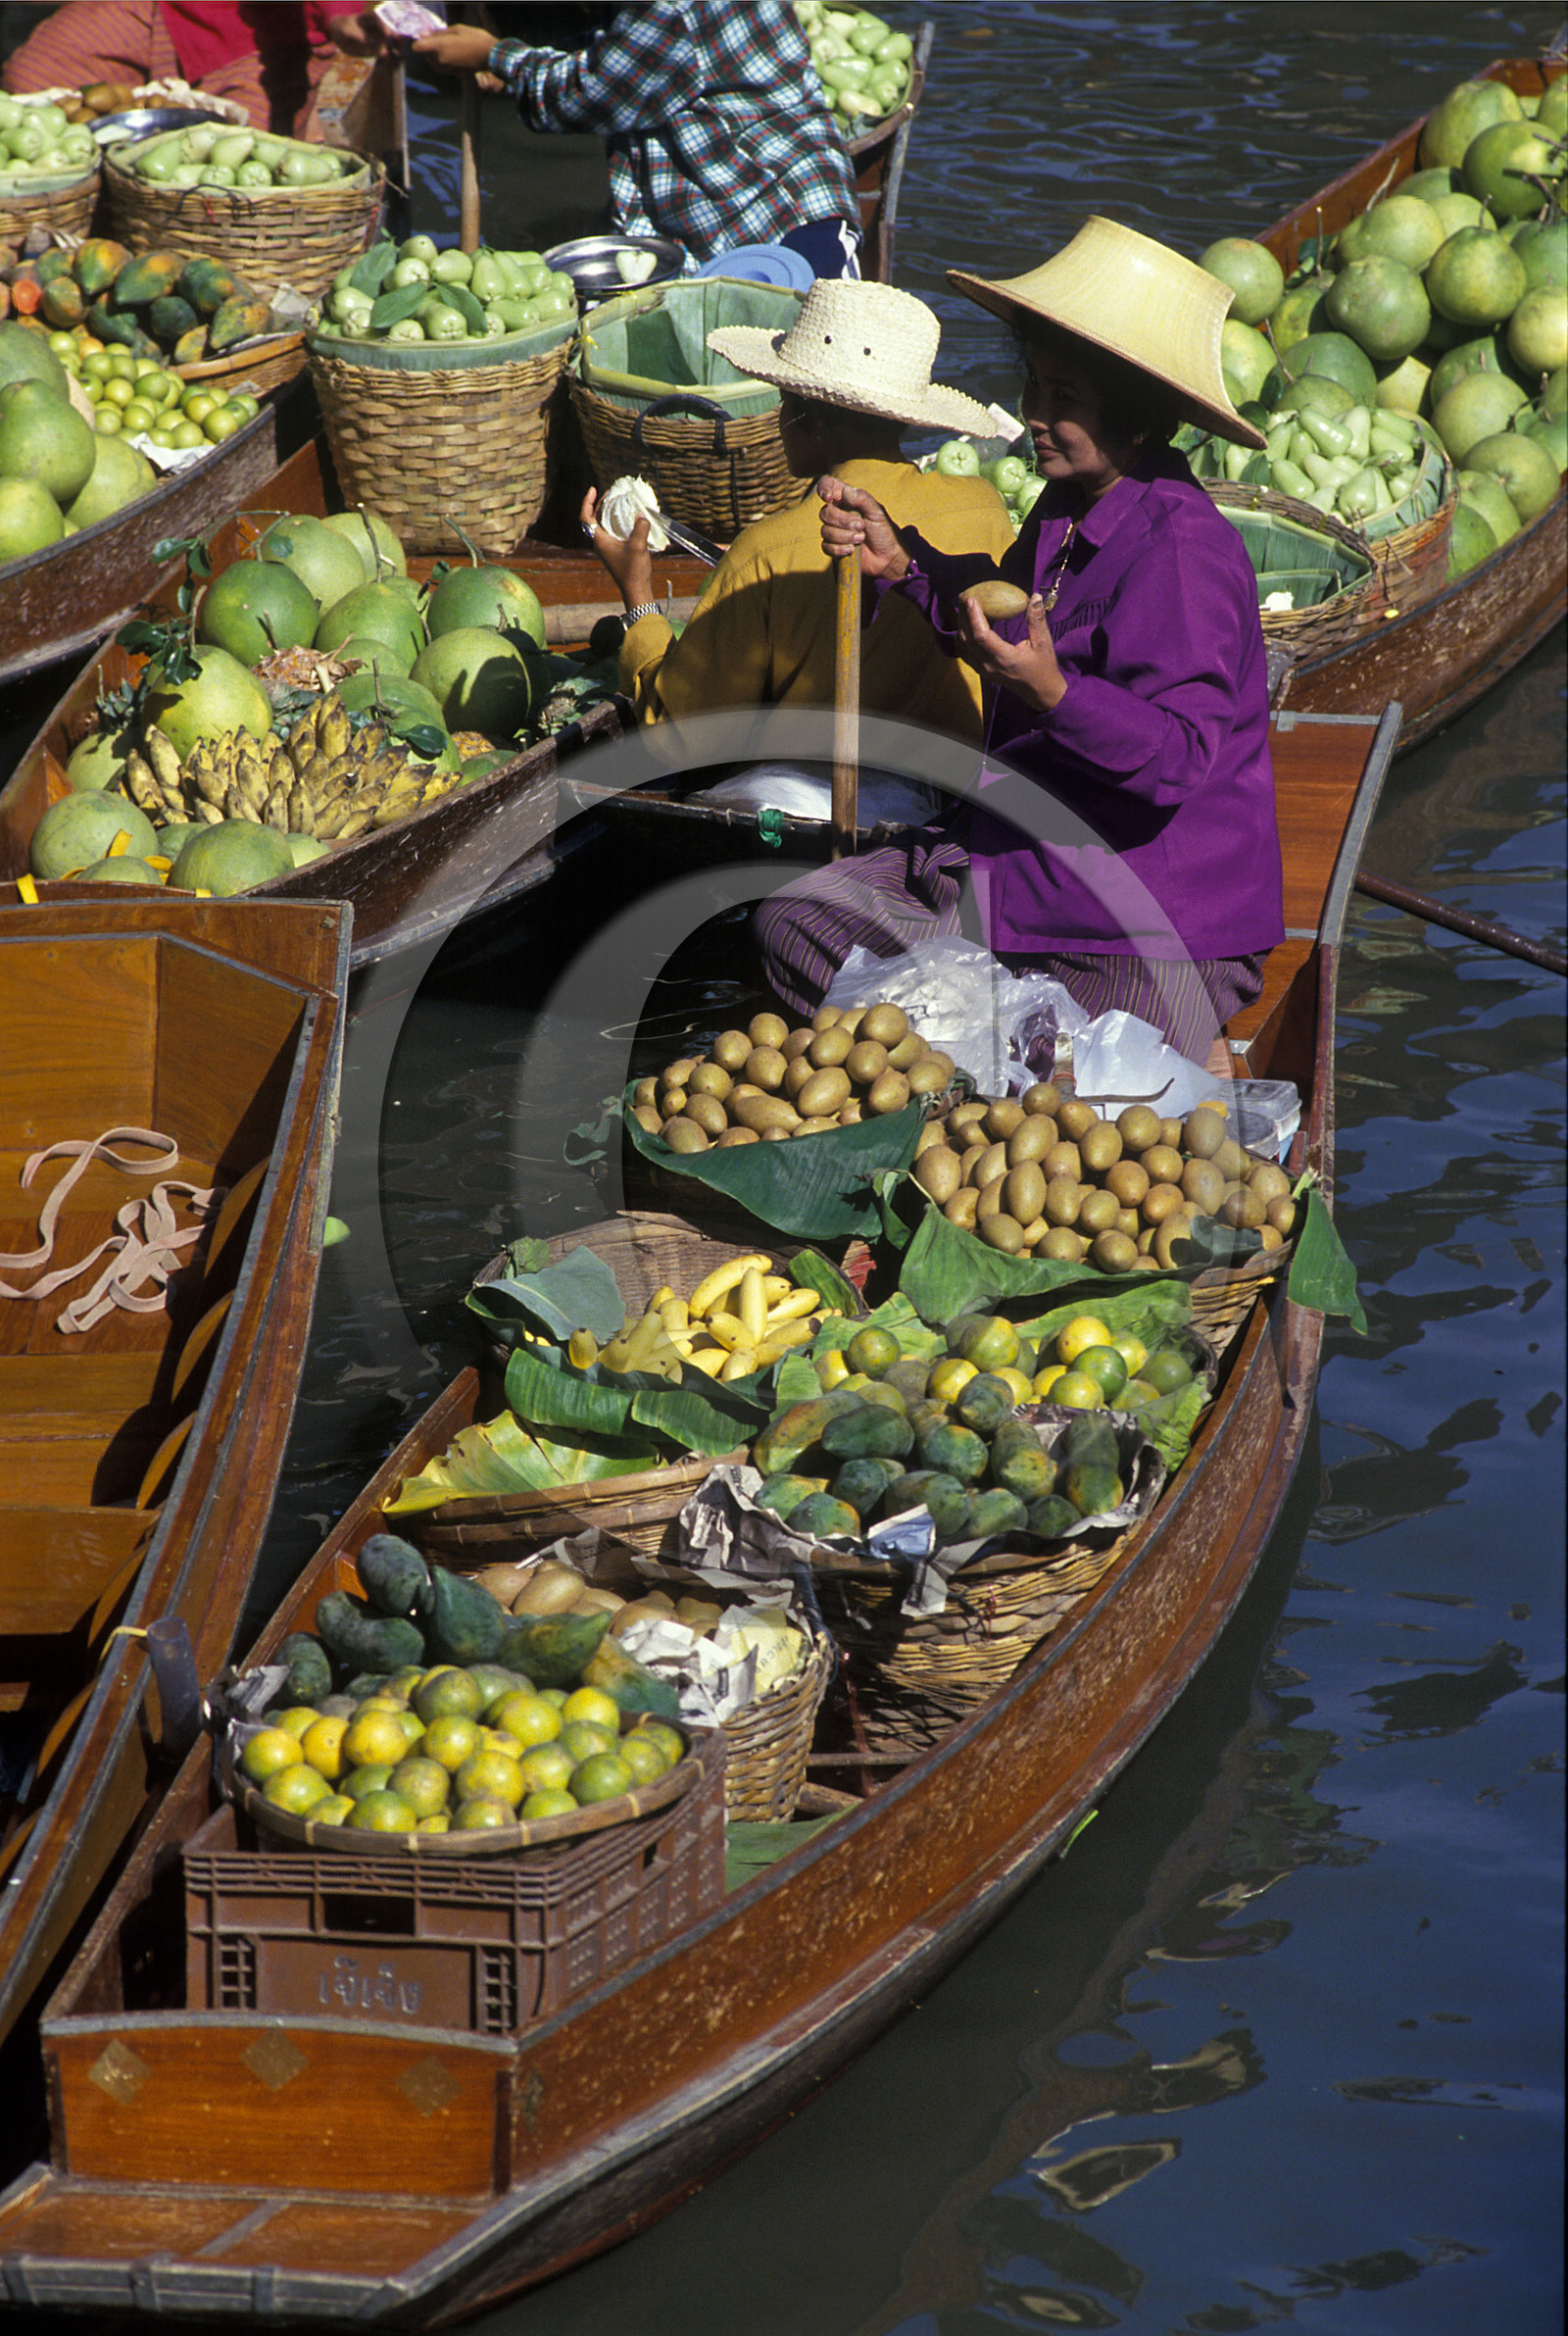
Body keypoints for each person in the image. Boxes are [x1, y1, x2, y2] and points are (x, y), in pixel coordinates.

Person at [757, 216, 1286, 1066]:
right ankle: (967, 1046)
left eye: (1064, 399)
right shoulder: (1065, 508)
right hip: (1020, 864)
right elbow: (1003, 619)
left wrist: (1056, 696)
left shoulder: (1183, 550)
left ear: (1140, 419)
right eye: (1035, 385)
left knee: (1049, 1064)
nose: (1034, 416)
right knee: (797, 922)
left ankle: (1133, 1046)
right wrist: (906, 564)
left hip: (1134, 918)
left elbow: (1179, 754)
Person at [580, 276, 1016, 743]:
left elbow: (676, 732)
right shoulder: (983, 506)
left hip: (822, 800)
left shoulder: (764, 553)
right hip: (963, 792)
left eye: (784, 402)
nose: (778, 419)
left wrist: (638, 595)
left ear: (815, 423)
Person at [329, 0, 863, 275]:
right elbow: (616, 50)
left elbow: (595, 90)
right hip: (727, 208)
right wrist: (521, 62)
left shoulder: (668, 9)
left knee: (805, 374)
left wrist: (497, 57)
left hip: (782, 213)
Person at [2, 2, 361, 135]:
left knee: (225, 166)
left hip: (266, 42)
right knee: (30, 80)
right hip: (169, 10)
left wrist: (343, 15)